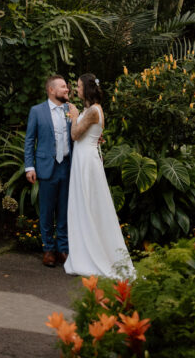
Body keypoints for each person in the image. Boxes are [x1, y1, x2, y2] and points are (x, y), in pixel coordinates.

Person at [64, 72, 135, 279]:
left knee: (89, 204)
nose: (76, 89)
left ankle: (92, 254)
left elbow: (76, 135)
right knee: (83, 203)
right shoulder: (91, 110)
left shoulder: (93, 111)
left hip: (86, 161)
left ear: (86, 89)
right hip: (83, 158)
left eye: (78, 86)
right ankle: (83, 250)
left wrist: (75, 117)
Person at [24, 74, 73, 267]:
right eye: (63, 87)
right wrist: (29, 166)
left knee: (64, 210)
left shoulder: (71, 110)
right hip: (46, 168)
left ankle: (63, 249)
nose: (67, 89)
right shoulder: (37, 111)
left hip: (67, 166)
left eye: (67, 87)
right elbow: (29, 140)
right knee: (46, 211)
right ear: (51, 90)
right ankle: (48, 249)